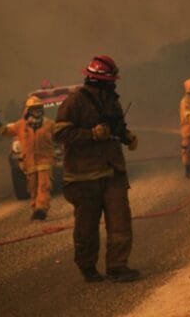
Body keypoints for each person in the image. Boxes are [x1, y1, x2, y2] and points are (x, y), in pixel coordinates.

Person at [53, 55, 140, 283]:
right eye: (111, 81)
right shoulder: (74, 102)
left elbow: (117, 126)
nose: (113, 85)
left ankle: (117, 266)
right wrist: (90, 134)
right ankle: (87, 267)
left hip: (112, 172)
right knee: (87, 227)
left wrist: (127, 136)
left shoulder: (112, 101)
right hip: (83, 178)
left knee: (120, 223)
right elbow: (59, 133)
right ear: (101, 80)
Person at [0, 96, 56, 220]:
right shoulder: (20, 125)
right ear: (28, 111)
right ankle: (35, 209)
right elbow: (5, 132)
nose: (37, 111)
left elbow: (61, 135)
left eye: (39, 108)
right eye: (34, 109)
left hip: (45, 161)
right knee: (32, 188)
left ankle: (41, 208)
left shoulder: (49, 124)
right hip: (29, 163)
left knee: (44, 186)